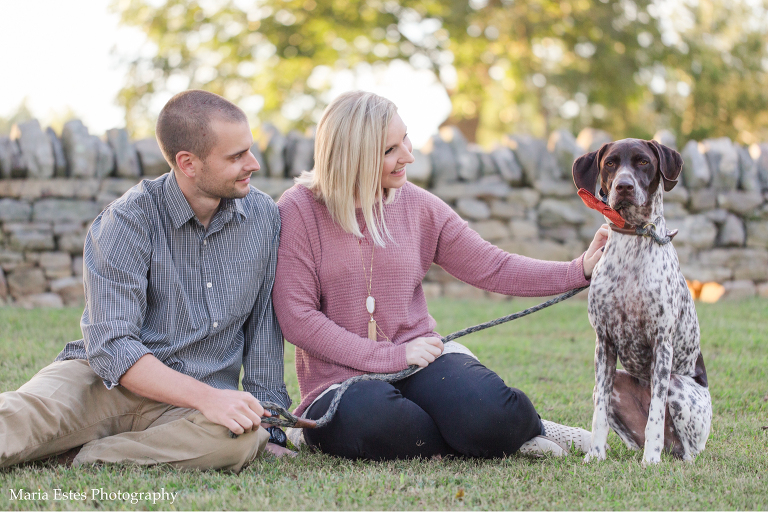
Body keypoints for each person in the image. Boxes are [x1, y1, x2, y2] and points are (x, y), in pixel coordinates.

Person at [272, 91, 609, 460]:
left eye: (406, 139)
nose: (409, 156)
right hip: (339, 383)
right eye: (389, 150)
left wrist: (579, 269)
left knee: (488, 413)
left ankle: (526, 429)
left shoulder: (417, 205)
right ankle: (487, 440)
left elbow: (492, 265)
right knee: (371, 421)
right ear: (353, 158)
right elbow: (298, 320)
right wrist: (391, 356)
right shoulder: (298, 210)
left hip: (422, 359)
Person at [0, 90, 292, 472]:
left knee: (241, 440)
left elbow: (263, 330)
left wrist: (271, 424)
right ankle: (79, 436)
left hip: (187, 409)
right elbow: (113, 345)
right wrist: (207, 397)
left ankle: (88, 454)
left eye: (249, 150)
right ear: (188, 163)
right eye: (236, 156)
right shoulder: (126, 220)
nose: (252, 163)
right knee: (18, 420)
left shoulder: (263, 218)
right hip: (101, 384)